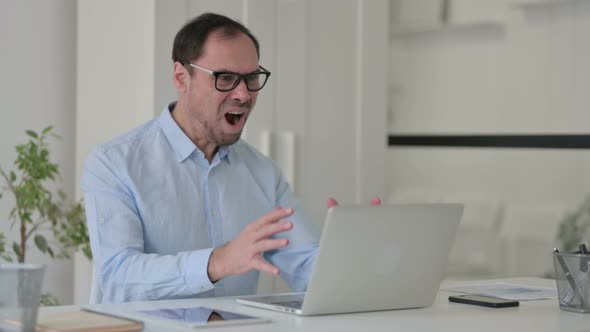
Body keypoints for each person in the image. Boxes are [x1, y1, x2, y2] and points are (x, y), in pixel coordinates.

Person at [82, 12, 379, 304]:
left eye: (251, 78)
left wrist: (348, 257)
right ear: (181, 77)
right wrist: (217, 262)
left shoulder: (263, 173)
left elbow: (306, 268)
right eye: (225, 78)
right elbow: (119, 277)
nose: (243, 94)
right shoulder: (114, 163)